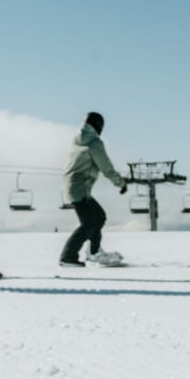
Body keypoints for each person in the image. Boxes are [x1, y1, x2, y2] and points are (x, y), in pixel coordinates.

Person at [60, 111, 128, 267]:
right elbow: (106, 167)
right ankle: (67, 257)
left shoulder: (77, 139)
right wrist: (120, 183)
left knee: (99, 216)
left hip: (73, 185)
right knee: (88, 223)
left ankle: (94, 251)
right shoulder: (94, 143)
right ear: (99, 126)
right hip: (79, 187)